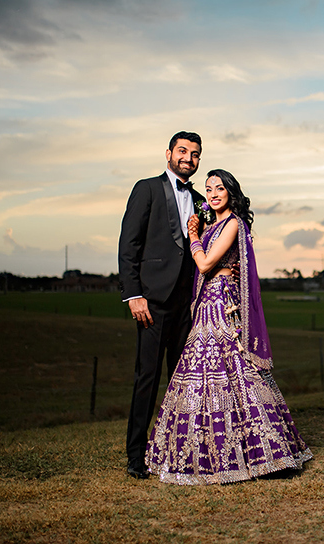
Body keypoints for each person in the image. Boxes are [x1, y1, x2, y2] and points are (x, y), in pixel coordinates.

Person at [146, 169, 312, 485]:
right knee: (202, 375)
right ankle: (209, 453)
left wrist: (193, 235)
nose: (213, 194)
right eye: (208, 189)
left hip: (222, 304)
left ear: (230, 191)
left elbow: (206, 264)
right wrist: (200, 232)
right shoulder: (214, 224)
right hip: (207, 302)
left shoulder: (233, 222)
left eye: (219, 188)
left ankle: (267, 453)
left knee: (236, 370)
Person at [118, 131, 206, 479]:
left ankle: (178, 451)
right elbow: (129, 244)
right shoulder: (147, 188)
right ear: (168, 153)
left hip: (188, 306)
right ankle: (136, 457)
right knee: (147, 379)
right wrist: (133, 294)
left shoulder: (201, 199)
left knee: (182, 381)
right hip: (152, 303)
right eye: (183, 151)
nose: (189, 158)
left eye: (195, 154)